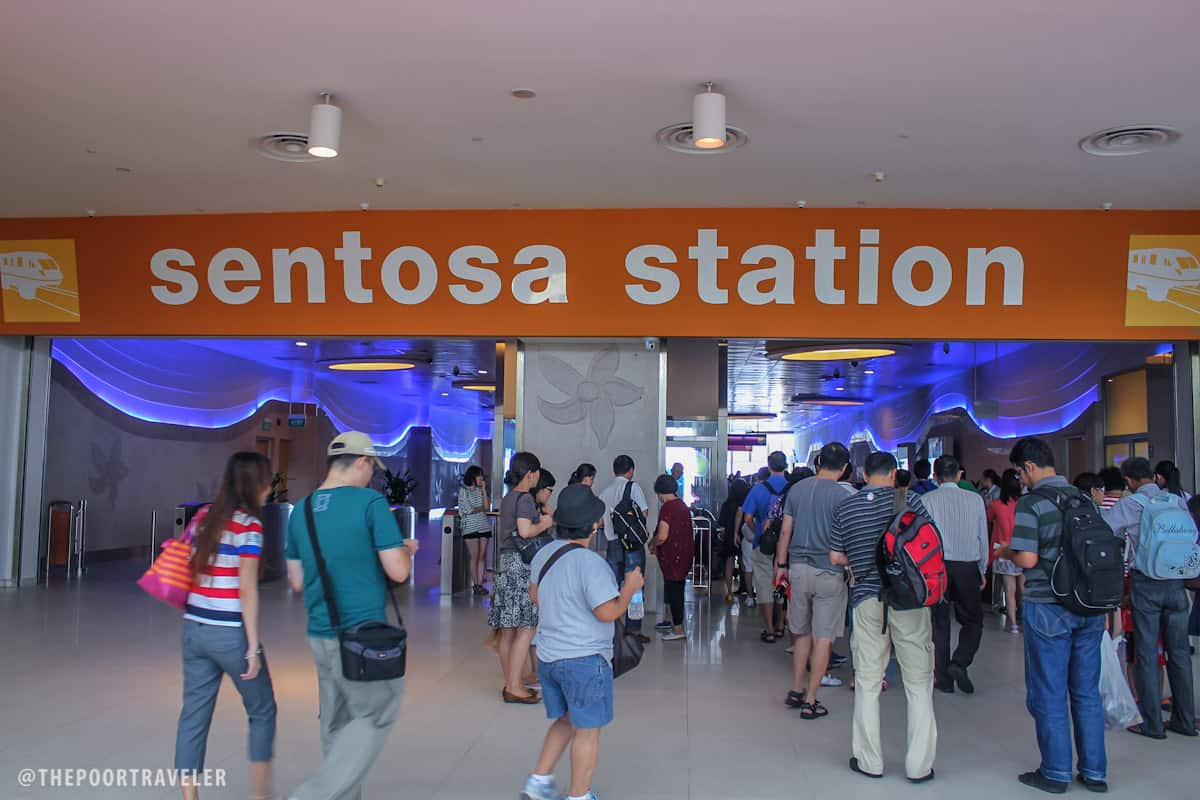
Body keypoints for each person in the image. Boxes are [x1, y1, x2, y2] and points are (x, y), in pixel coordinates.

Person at [284, 432, 419, 800]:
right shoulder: (370, 503)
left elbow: (296, 580)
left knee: (336, 722)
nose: (372, 476)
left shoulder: (303, 509)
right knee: (375, 715)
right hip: (362, 636)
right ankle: (313, 794)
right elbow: (398, 572)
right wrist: (407, 549)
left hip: (320, 632)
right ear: (362, 462)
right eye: (371, 468)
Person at [520, 484, 644, 800]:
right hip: (584, 661)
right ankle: (578, 795)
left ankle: (539, 782)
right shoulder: (592, 564)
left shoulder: (544, 553)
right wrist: (630, 587)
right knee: (587, 732)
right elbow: (608, 612)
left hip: (549, 657)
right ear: (592, 525)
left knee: (565, 720)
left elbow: (536, 597)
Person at [1000, 436, 1107, 794]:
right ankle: (1094, 772)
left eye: (1019, 472)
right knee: (1086, 692)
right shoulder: (1084, 499)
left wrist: (1007, 551)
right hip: (1089, 607)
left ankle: (1056, 772)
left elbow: (1028, 559)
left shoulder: (1032, 503)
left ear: (1029, 467)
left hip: (1049, 607)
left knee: (1049, 691)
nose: (1020, 479)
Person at [175, 452, 277, 800]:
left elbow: (188, 566)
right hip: (230, 631)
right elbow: (246, 588)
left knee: (193, 716)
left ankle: (189, 797)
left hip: (194, 628)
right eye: (267, 480)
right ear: (255, 483)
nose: (270, 488)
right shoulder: (249, 525)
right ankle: (261, 796)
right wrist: (252, 647)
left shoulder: (203, 517)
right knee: (263, 711)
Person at [830, 451, 936, 783]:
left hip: (866, 600)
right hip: (910, 602)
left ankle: (869, 761)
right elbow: (931, 545)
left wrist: (861, 561)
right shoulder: (912, 502)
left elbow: (835, 557)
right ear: (894, 475)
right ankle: (919, 766)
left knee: (867, 682)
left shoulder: (846, 507)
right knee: (918, 684)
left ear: (862, 472)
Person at [1102, 456, 1196, 739]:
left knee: (1145, 654)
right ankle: (1185, 721)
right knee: (1179, 654)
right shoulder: (1177, 501)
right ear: (1153, 477)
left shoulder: (1132, 504)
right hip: (1177, 584)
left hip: (1147, 585)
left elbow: (1105, 529)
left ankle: (1153, 724)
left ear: (1129, 481)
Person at [774, 442, 854, 720]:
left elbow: (785, 532)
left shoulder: (797, 489)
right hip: (829, 572)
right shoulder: (845, 496)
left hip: (797, 569)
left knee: (800, 632)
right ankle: (810, 699)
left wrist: (781, 566)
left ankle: (796, 689)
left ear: (818, 462)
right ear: (844, 468)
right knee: (823, 637)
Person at [490, 451, 556, 704]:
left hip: (506, 563)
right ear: (531, 473)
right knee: (527, 628)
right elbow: (526, 531)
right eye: (537, 472)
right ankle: (514, 687)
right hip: (521, 566)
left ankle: (511, 681)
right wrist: (546, 523)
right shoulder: (525, 499)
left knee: (507, 630)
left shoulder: (508, 498)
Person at [919, 455, 989, 694]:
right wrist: (982, 568)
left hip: (937, 568)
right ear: (960, 475)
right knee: (973, 620)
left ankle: (943, 679)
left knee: (939, 622)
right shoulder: (975, 499)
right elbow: (983, 536)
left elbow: (922, 538)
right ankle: (959, 662)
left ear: (935, 476)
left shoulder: (927, 500)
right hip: (967, 566)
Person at [599, 455, 651, 643]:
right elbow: (643, 513)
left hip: (612, 543)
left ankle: (610, 626)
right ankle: (633, 630)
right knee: (635, 587)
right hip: (632, 546)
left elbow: (601, 521)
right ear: (631, 470)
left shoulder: (605, 492)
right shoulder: (633, 487)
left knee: (611, 586)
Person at [741, 451, 791, 643]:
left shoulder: (759, 489)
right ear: (785, 465)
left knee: (763, 586)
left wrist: (759, 531)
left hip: (764, 545)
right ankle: (780, 627)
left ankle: (769, 629)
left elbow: (747, 518)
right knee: (781, 584)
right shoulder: (793, 488)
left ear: (769, 466)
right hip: (786, 547)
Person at [653, 473, 693, 641]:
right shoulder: (682, 505)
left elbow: (662, 536)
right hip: (683, 554)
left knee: (675, 591)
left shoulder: (667, 508)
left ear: (660, 493)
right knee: (676, 590)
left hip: (673, 557)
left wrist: (652, 544)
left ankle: (678, 629)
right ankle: (674, 623)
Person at [988, 468, 1025, 633]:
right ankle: (1024, 618)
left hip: (1003, 551)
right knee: (1023, 588)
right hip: (1023, 550)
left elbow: (987, 519)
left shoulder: (996, 505)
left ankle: (1013, 624)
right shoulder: (1024, 504)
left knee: (1009, 589)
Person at [459, 465, 493, 595]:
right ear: (473, 476)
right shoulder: (463, 491)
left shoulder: (480, 490)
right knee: (475, 555)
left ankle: (480, 583)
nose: (481, 478)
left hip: (483, 524)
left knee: (482, 555)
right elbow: (468, 509)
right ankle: (475, 584)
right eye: (479, 475)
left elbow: (485, 506)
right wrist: (479, 509)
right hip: (470, 526)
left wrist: (484, 489)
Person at [717, 477, 752, 604]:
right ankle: (748, 591)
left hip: (729, 535)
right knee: (745, 563)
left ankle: (730, 593)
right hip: (744, 535)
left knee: (729, 563)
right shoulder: (747, 503)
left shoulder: (726, 504)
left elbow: (722, 523)